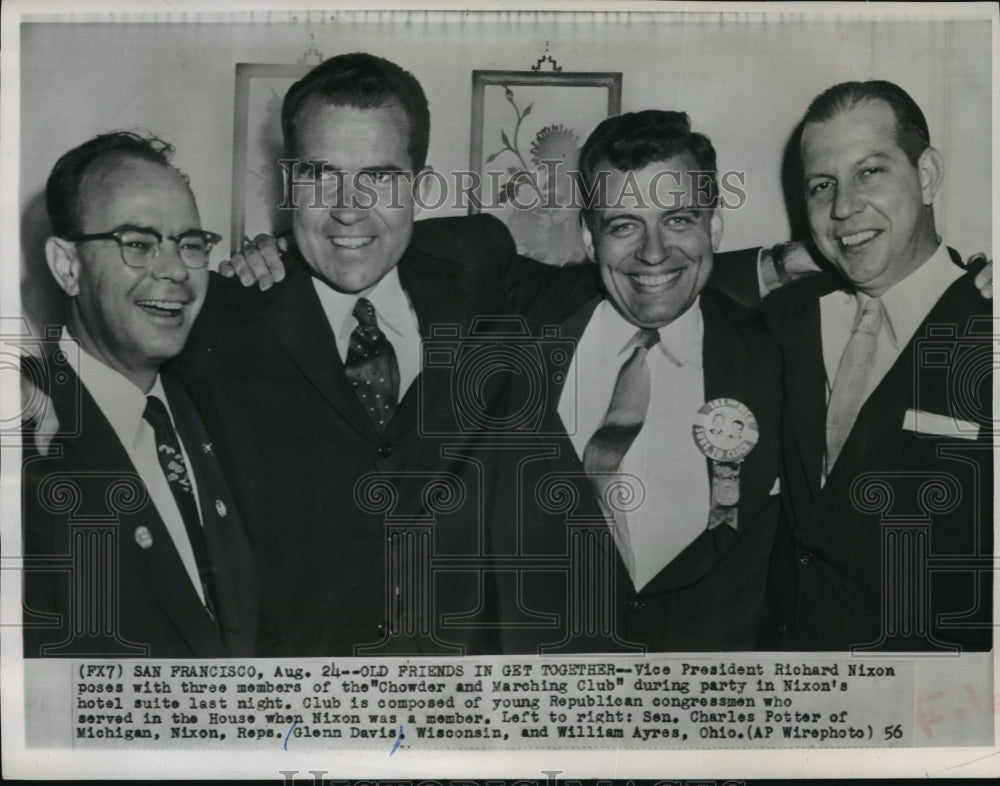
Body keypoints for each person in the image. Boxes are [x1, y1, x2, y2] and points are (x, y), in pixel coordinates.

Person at [761, 81, 992, 651]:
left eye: (871, 172)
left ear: (928, 175)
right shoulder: (787, 317)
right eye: (822, 186)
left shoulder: (989, 326)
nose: (843, 209)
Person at [22, 132, 257, 657]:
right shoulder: (27, 447)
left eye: (190, 243)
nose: (175, 270)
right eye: (137, 243)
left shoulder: (209, 409)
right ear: (67, 266)